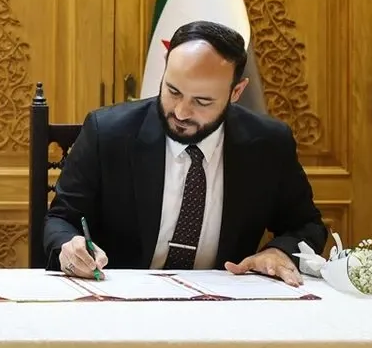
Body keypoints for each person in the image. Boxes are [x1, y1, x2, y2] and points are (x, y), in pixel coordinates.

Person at [45, 20, 326, 286]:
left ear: (236, 92)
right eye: (173, 91)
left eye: (202, 101)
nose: (180, 112)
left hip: (224, 303)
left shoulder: (268, 144)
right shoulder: (107, 133)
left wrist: (279, 252)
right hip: (122, 299)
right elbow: (61, 219)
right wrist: (69, 246)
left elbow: (306, 225)